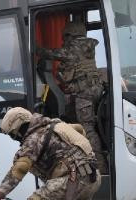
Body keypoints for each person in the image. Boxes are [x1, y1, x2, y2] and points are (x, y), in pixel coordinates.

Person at [36, 21, 108, 174]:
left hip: (84, 94)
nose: (63, 40)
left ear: (71, 35)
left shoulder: (73, 49)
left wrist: (34, 47)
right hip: (95, 90)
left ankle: (100, 167)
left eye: (65, 36)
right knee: (91, 126)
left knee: (87, 129)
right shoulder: (87, 47)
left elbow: (50, 54)